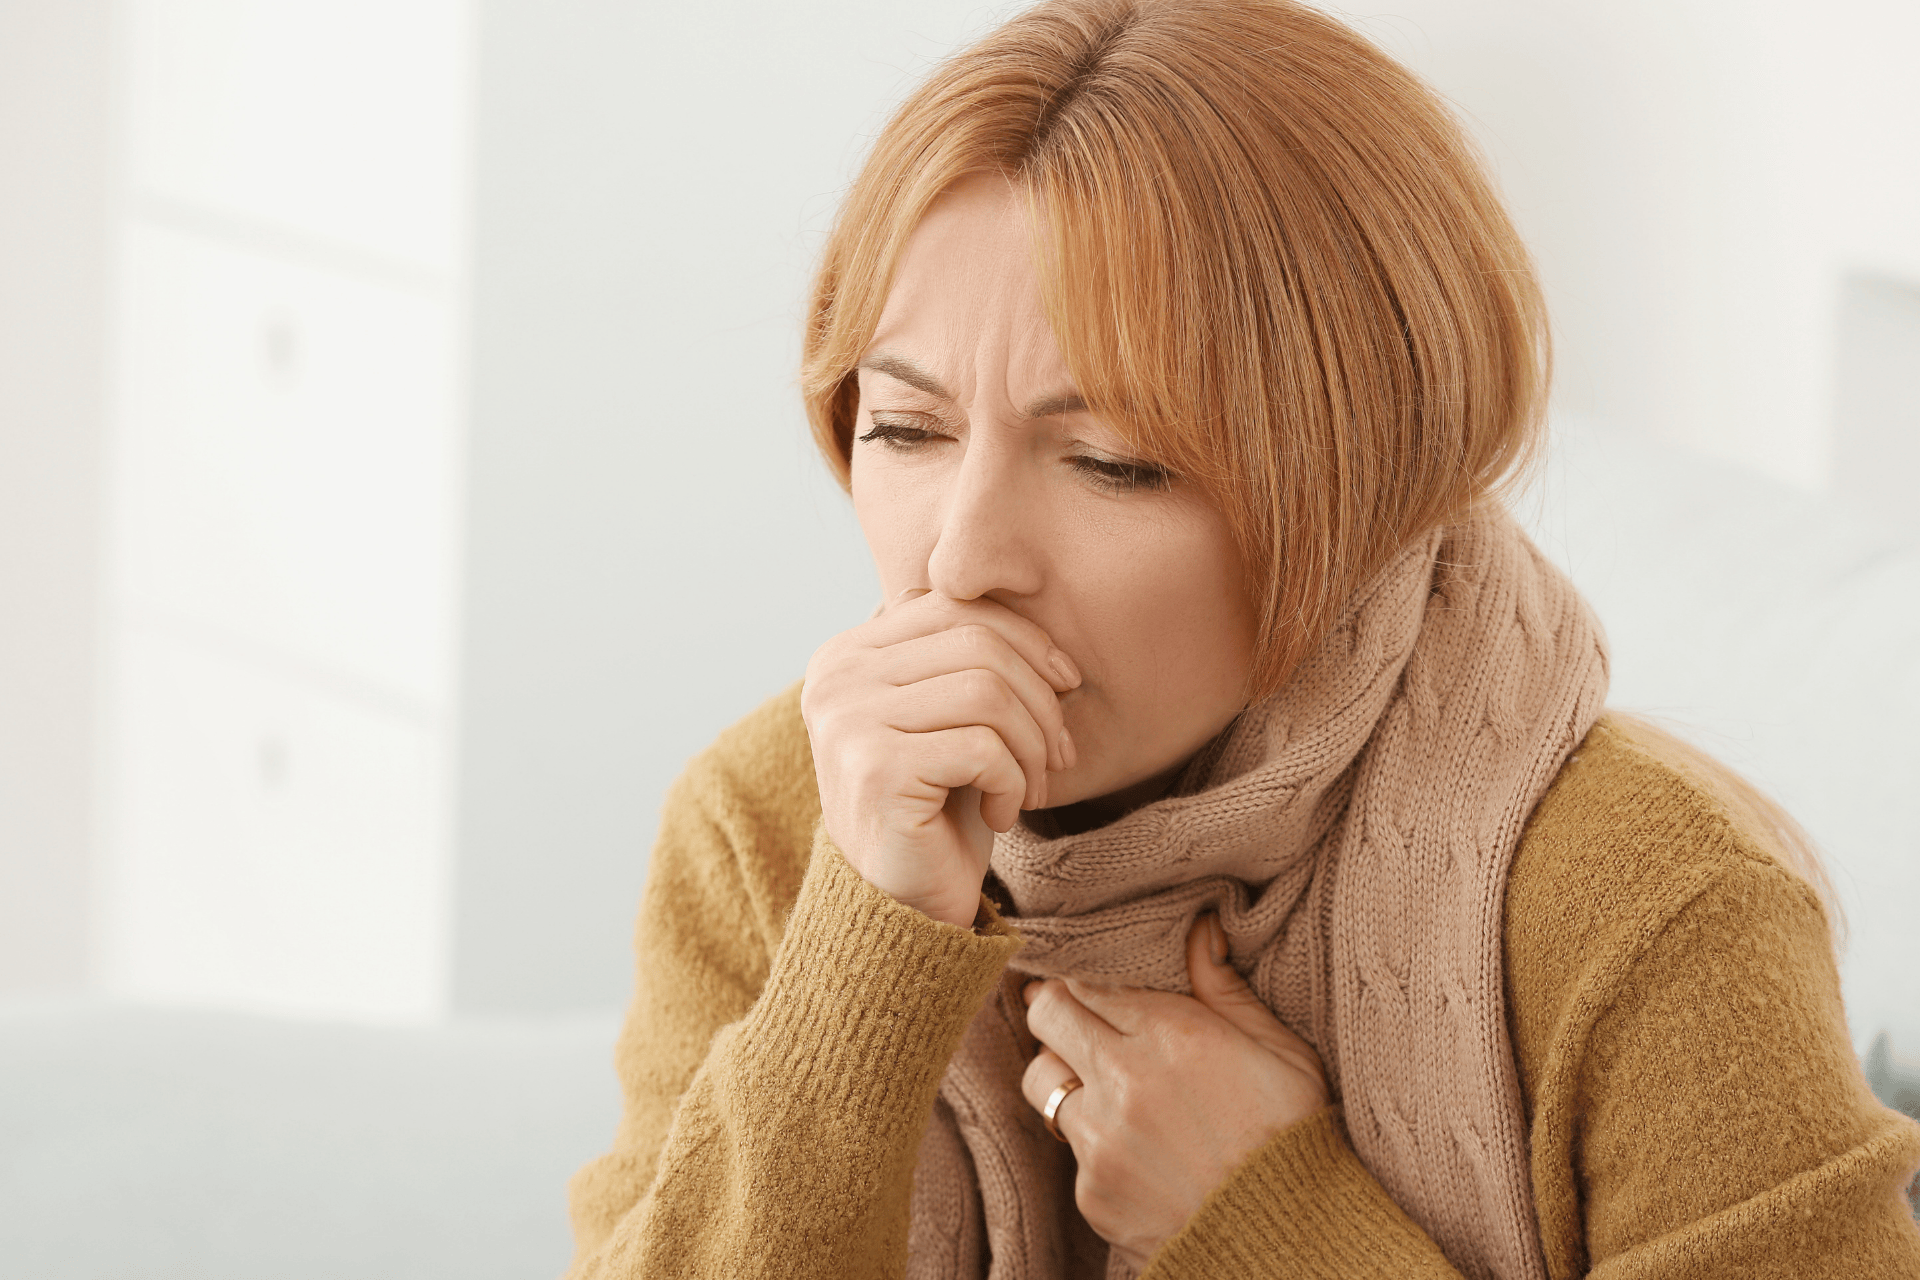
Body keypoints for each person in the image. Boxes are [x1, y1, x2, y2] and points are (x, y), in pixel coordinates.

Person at [561, 1, 1920, 1276]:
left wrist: (1271, 1217)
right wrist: (868, 943)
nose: (962, 558)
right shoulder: (773, 823)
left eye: (1109, 461)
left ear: (1358, 486)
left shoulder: (1656, 905)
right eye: (907, 431)